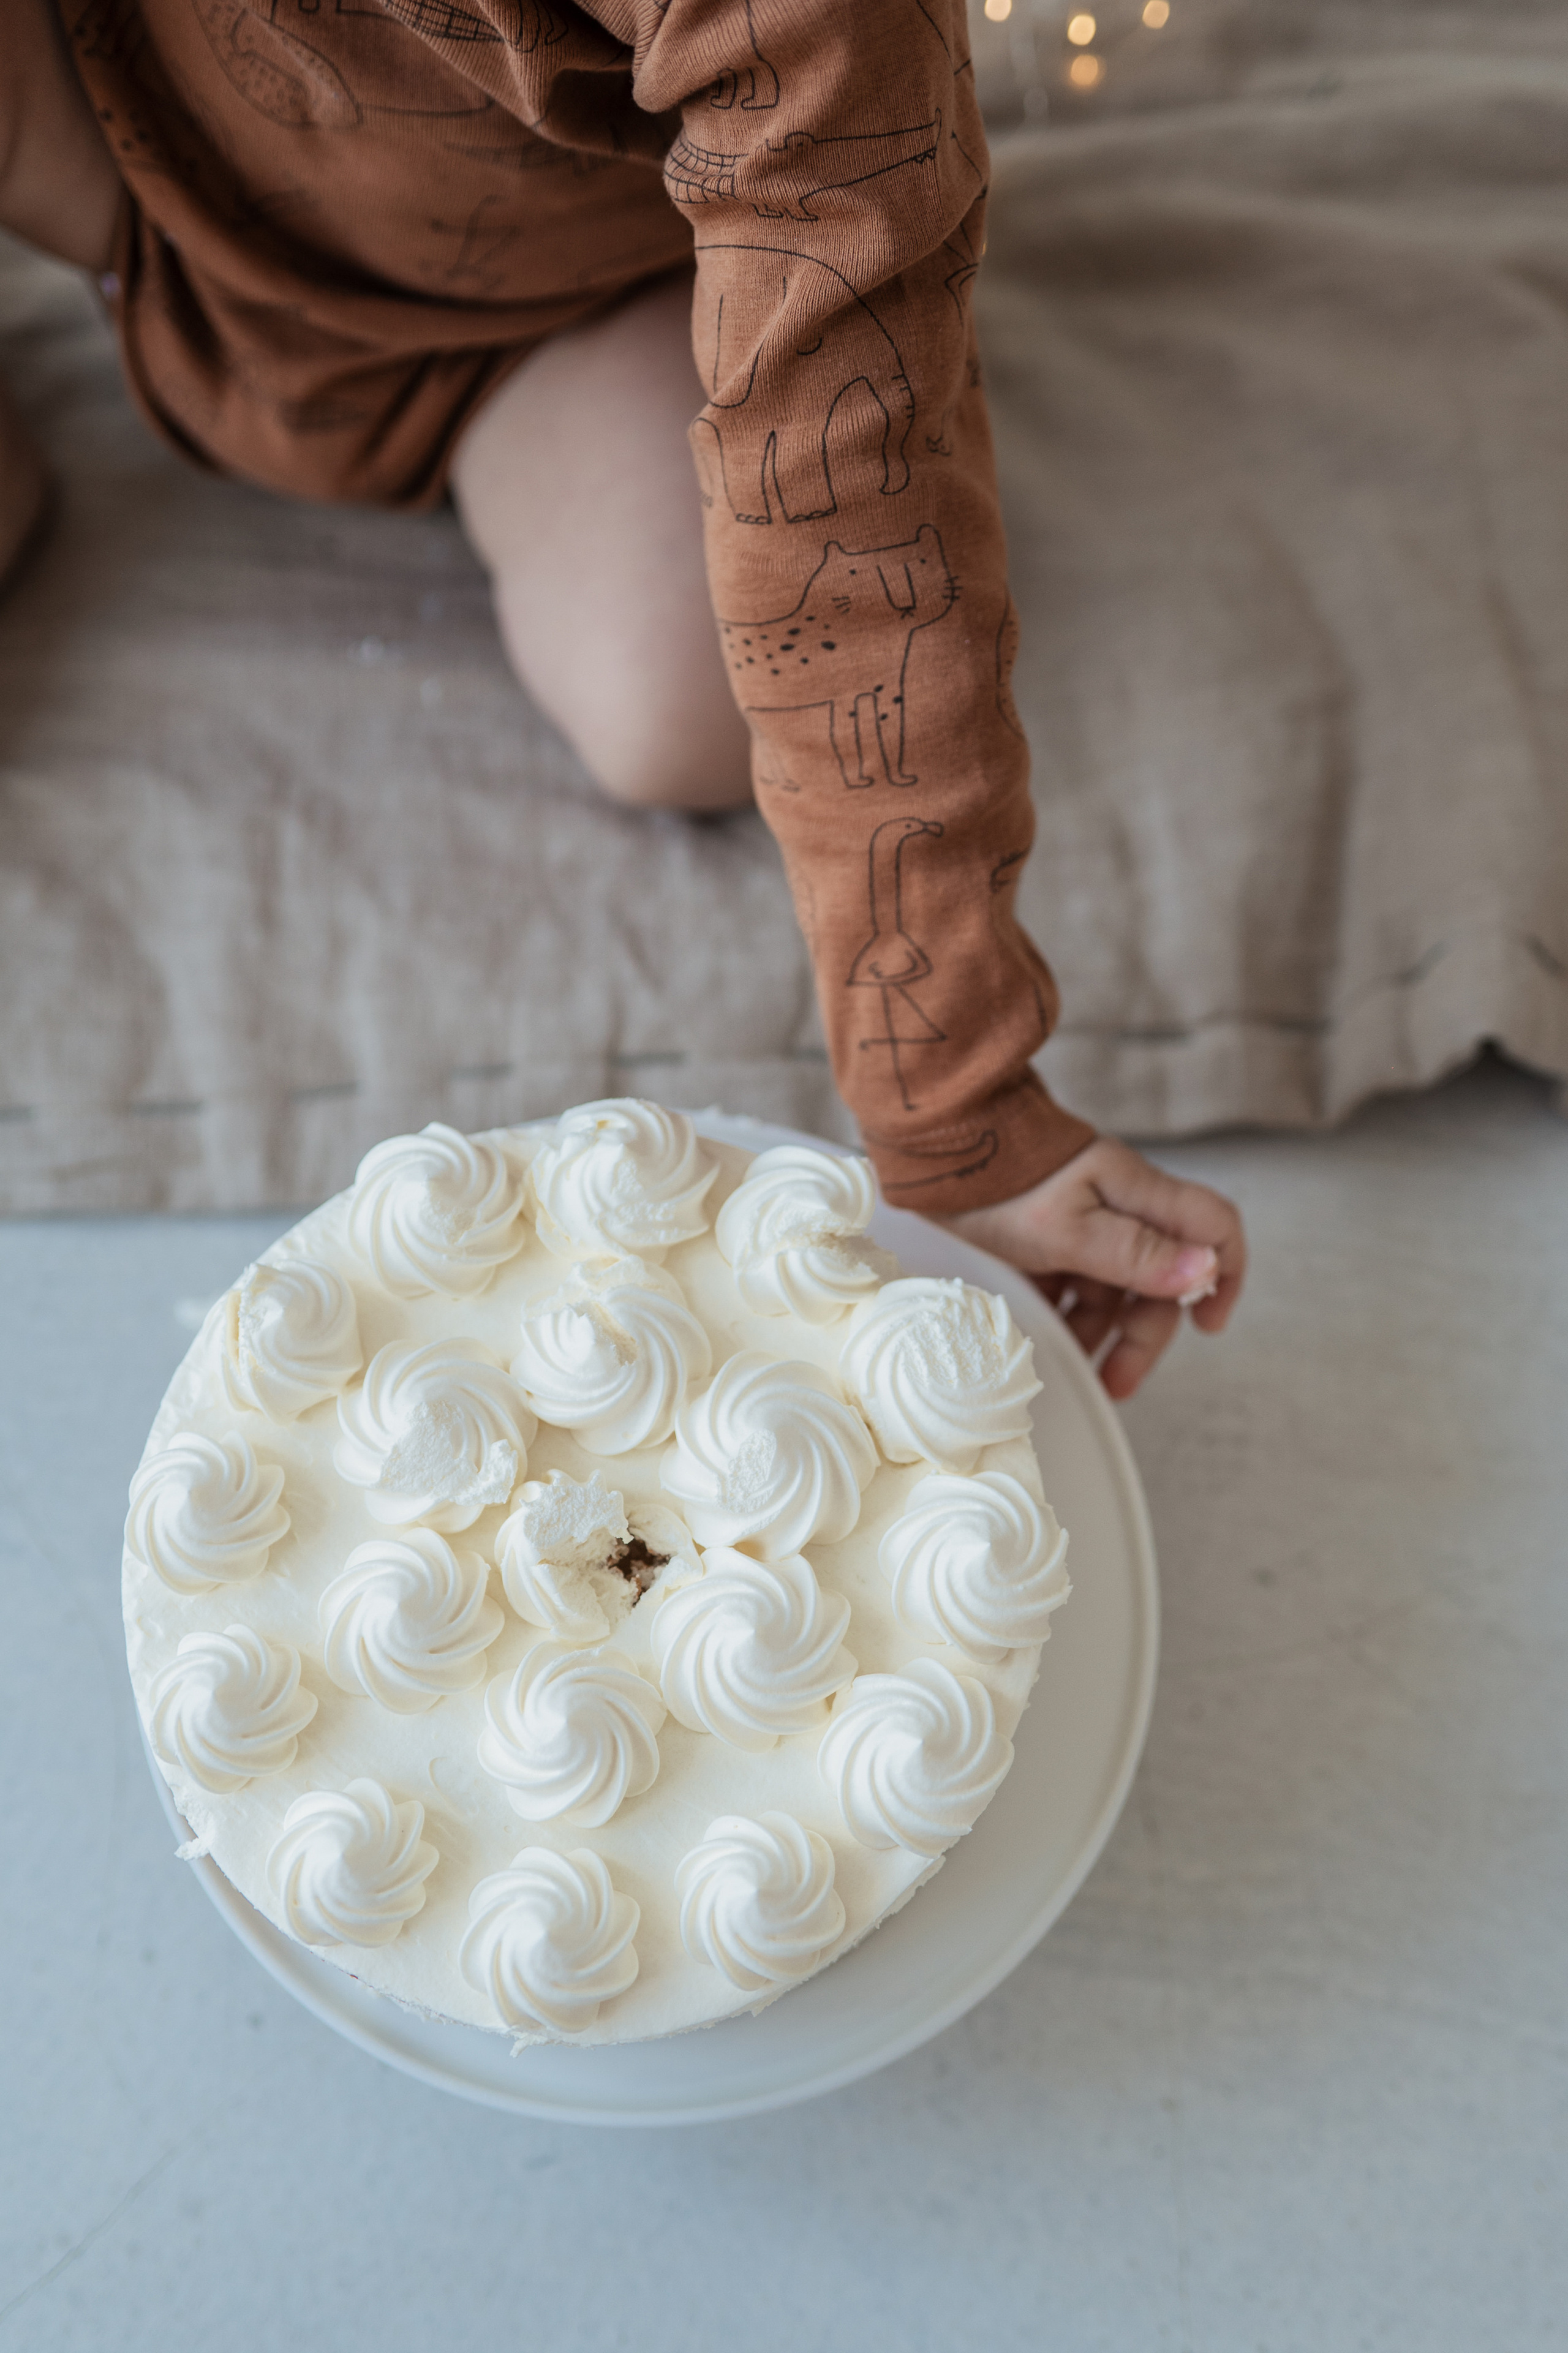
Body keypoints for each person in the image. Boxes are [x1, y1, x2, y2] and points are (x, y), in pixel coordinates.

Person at [0, 0, 1244, 1396]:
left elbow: (847, 483)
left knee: (681, 698)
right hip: (85, 172)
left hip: (522, 303)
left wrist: (951, 1111)